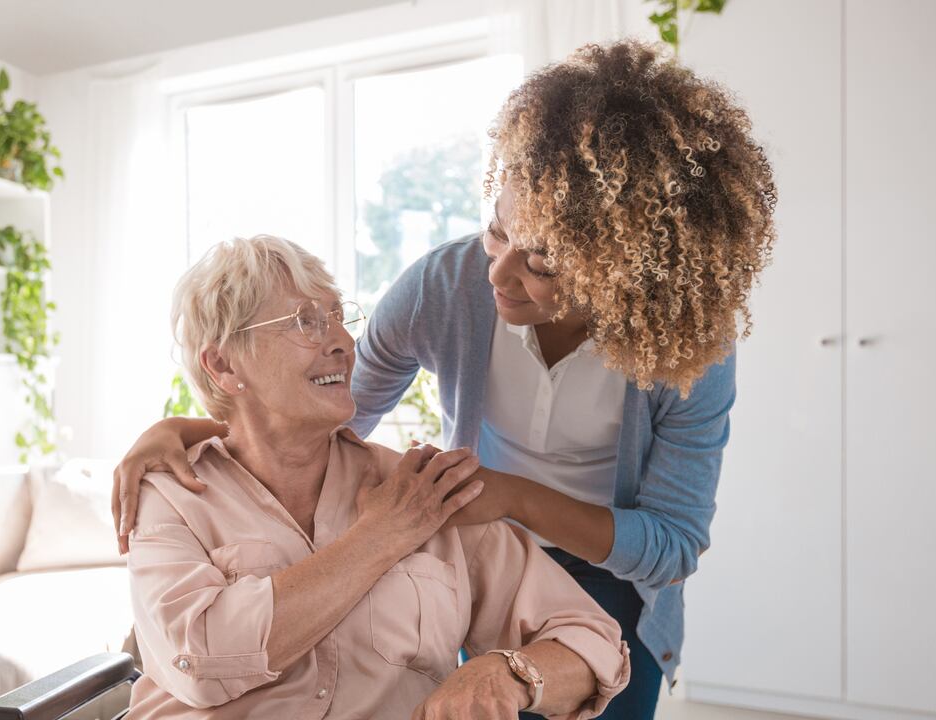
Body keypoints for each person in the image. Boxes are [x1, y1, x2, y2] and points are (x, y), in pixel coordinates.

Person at [116, 40, 776, 719]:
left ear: (622, 270)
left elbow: (669, 544)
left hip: (606, 567)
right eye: (497, 231)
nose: (498, 272)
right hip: (477, 528)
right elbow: (331, 411)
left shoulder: (687, 348)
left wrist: (509, 496)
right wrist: (188, 429)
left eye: (542, 262)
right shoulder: (444, 287)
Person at [125, 234, 630, 719]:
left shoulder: (422, 490)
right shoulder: (170, 493)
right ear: (222, 364)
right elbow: (201, 662)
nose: (344, 342)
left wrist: (509, 673)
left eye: (338, 318)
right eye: (305, 322)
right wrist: (379, 538)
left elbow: (595, 643)